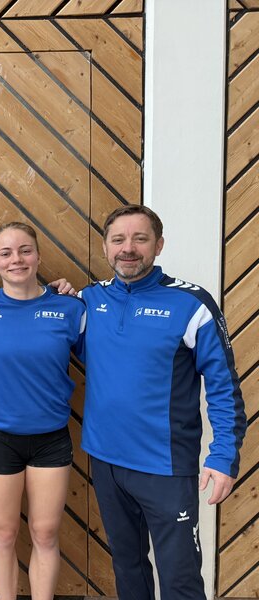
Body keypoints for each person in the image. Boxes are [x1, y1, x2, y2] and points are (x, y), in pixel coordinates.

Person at [79, 204, 246, 600]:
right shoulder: (88, 300)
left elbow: (224, 386)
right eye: (118, 239)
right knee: (128, 568)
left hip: (166, 467)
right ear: (105, 247)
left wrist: (223, 455)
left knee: (180, 580)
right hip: (105, 461)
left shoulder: (192, 304)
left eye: (140, 238)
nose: (128, 248)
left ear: (159, 245)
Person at [0, 222, 85, 600]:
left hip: (51, 440)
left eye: (25, 250)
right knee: (4, 532)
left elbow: (106, 358)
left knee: (45, 534)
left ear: (38, 256)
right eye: (6, 253)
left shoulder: (70, 309)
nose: (17, 259)